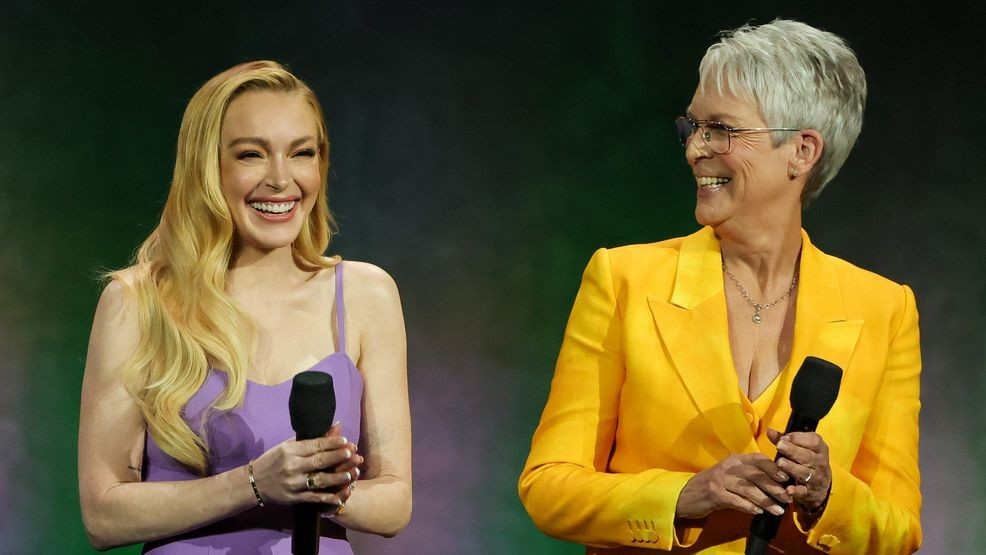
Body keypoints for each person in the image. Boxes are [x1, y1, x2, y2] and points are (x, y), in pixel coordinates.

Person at [518, 20, 920, 554]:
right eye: (693, 128)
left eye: (721, 130)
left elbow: (900, 529)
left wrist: (827, 497)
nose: (694, 149)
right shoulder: (622, 280)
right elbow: (548, 487)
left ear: (802, 151)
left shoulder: (885, 309)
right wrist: (684, 496)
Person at [78, 61, 412, 553]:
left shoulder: (366, 295)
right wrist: (254, 483)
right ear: (206, 167)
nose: (281, 179)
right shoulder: (136, 302)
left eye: (302, 153)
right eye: (252, 154)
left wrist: (319, 487)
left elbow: (395, 502)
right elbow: (102, 515)